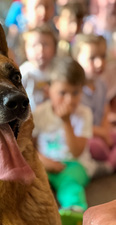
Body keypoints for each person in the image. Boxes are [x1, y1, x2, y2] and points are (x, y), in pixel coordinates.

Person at [32, 56, 93, 223]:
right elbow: (28, 144)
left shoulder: (84, 114)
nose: (69, 100)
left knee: (70, 184)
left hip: (74, 165)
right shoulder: (40, 113)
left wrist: (66, 122)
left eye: (75, 92)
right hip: (45, 163)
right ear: (48, 90)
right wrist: (43, 160)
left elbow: (77, 151)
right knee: (33, 182)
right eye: (62, 92)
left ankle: (75, 211)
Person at [72, 33, 116, 173]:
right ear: (76, 60)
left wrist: (106, 131)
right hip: (86, 136)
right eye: (92, 58)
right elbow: (78, 125)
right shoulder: (74, 90)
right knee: (95, 146)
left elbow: (105, 110)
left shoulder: (101, 84)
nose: (99, 63)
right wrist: (103, 134)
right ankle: (109, 162)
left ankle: (108, 165)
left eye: (103, 56)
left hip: (101, 131)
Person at [20, 24, 57, 111]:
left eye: (46, 45)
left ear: (54, 48)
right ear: (25, 49)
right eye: (34, 45)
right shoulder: (24, 72)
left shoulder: (58, 70)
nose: (40, 50)